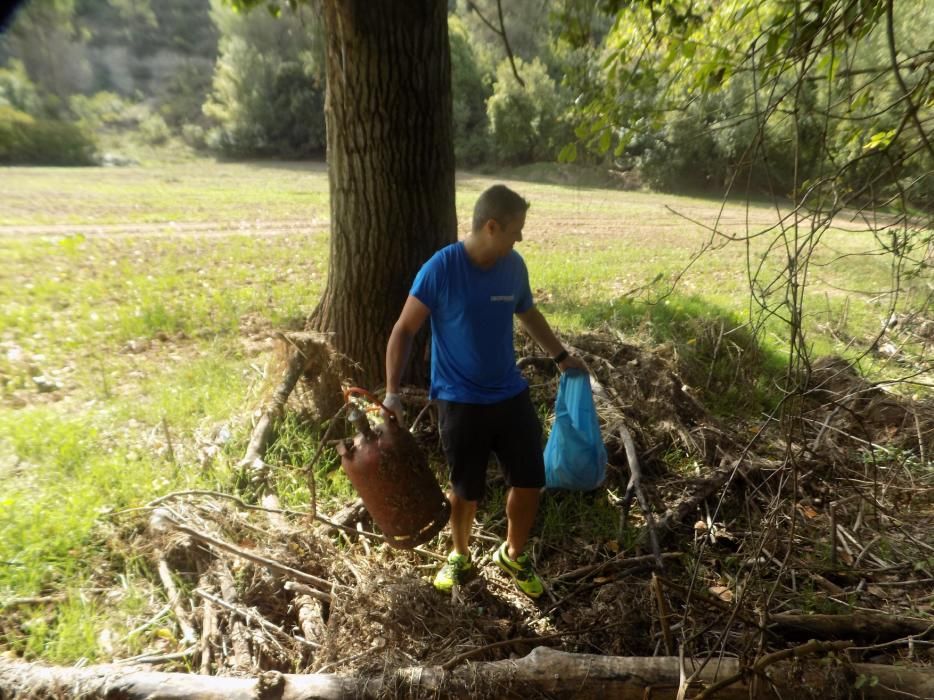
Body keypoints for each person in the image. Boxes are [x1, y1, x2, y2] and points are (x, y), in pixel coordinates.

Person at [383, 184, 586, 599]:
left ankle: (513, 554)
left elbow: (527, 312)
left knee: (530, 479)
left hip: (509, 394)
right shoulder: (441, 268)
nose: (521, 238)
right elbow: (404, 329)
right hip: (459, 400)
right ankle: (460, 555)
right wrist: (391, 393)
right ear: (491, 226)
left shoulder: (514, 267)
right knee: (465, 489)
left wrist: (561, 355)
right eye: (516, 230)